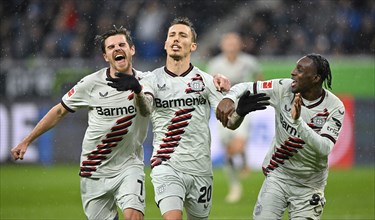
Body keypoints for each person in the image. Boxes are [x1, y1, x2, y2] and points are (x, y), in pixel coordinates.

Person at [108, 17, 267, 220]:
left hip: (200, 170)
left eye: (182, 35)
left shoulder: (207, 81)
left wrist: (241, 112)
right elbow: (145, 109)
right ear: (165, 44)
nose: (176, 39)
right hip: (166, 165)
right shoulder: (151, 80)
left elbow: (230, 122)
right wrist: (138, 91)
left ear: (192, 46)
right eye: (172, 35)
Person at [11, 27, 149, 220]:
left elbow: (146, 109)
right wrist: (26, 140)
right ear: (105, 56)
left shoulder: (146, 81)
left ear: (131, 49)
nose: (117, 49)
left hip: (129, 165)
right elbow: (59, 111)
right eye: (111, 47)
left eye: (121, 45)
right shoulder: (91, 84)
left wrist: (137, 90)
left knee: (134, 215)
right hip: (93, 169)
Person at [216, 54, 345, 219]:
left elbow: (324, 148)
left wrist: (297, 122)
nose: (292, 73)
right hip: (278, 176)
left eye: (300, 70)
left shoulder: (334, 107)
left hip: (309, 185)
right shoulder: (283, 88)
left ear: (315, 78)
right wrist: (229, 98)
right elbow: (246, 86)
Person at [207, 32, 264, 203]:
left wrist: (257, 94)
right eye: (228, 43)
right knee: (228, 151)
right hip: (223, 110)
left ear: (241, 45)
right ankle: (235, 185)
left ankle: (243, 154)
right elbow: (211, 86)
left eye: (234, 43)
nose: (231, 46)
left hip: (243, 109)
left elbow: (259, 78)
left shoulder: (249, 62)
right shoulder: (214, 64)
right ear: (222, 46)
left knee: (236, 146)